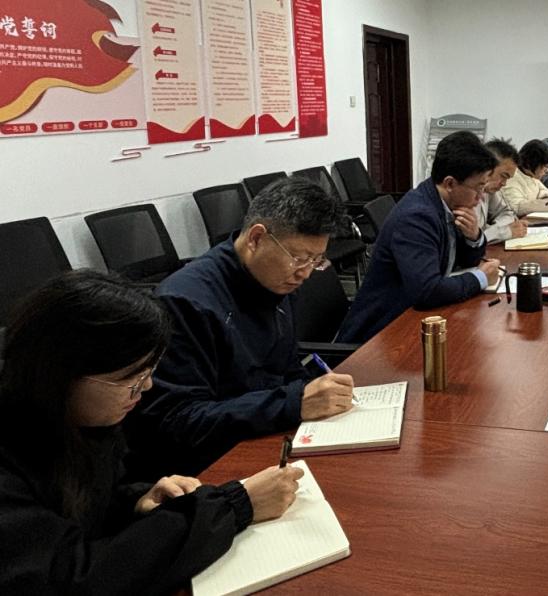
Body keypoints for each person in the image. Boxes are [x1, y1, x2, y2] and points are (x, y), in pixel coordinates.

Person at [0, 270, 303, 594]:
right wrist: (235, 506)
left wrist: (136, 501)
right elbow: (73, 579)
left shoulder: (77, 422)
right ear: (59, 374)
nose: (146, 387)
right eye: (132, 379)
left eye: (149, 372)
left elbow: (82, 505)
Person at [124, 178, 355, 480]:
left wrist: (311, 391)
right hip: (205, 467)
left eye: (316, 260)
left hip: (264, 435)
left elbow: (283, 368)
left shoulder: (277, 280)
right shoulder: (185, 303)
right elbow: (178, 420)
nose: (306, 273)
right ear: (256, 238)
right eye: (299, 258)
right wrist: (293, 402)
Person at [338, 131, 504, 343]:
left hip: (415, 319)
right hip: (383, 333)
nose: (481, 197)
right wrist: (480, 278)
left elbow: (465, 261)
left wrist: (473, 236)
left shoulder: (446, 203)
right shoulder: (417, 216)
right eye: (478, 187)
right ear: (450, 183)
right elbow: (428, 291)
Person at [503, 139, 548, 217]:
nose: (546, 171)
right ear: (530, 163)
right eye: (544, 167)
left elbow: (545, 192)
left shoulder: (531, 175)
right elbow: (518, 207)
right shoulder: (511, 178)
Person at [476, 138, 528, 244]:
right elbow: (469, 240)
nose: (504, 184)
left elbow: (506, 213)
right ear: (487, 166)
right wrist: (504, 232)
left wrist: (494, 229)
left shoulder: (489, 190)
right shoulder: (463, 192)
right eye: (503, 176)